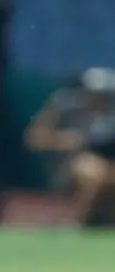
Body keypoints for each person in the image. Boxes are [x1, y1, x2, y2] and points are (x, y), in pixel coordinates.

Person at [26, 69, 115, 228]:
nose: (97, 99)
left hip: (105, 166)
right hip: (65, 166)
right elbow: (34, 139)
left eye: (103, 95)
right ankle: (75, 221)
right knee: (93, 171)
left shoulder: (109, 115)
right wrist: (66, 140)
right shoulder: (63, 107)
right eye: (94, 94)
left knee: (102, 171)